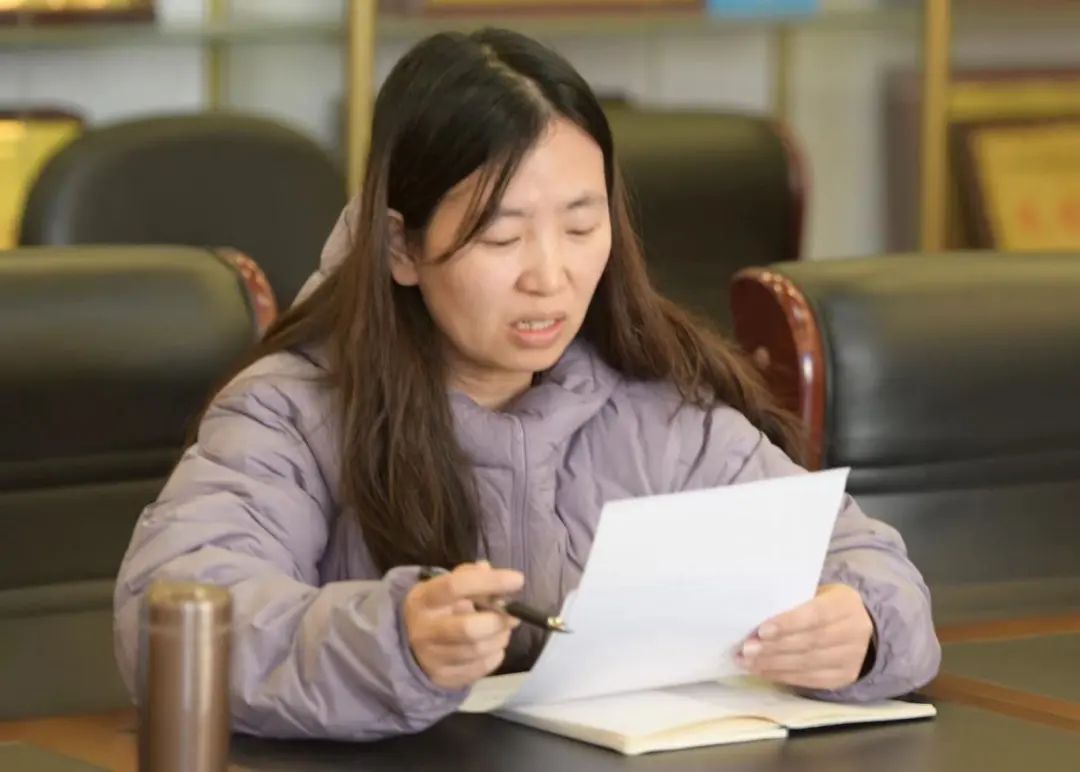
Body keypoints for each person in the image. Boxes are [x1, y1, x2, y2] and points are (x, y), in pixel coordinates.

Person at [113, 28, 940, 741]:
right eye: (502, 238)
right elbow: (175, 616)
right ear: (401, 248)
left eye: (581, 226)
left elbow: (854, 551)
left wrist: (863, 625)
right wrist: (393, 642)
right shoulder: (291, 411)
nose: (550, 276)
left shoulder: (655, 402)